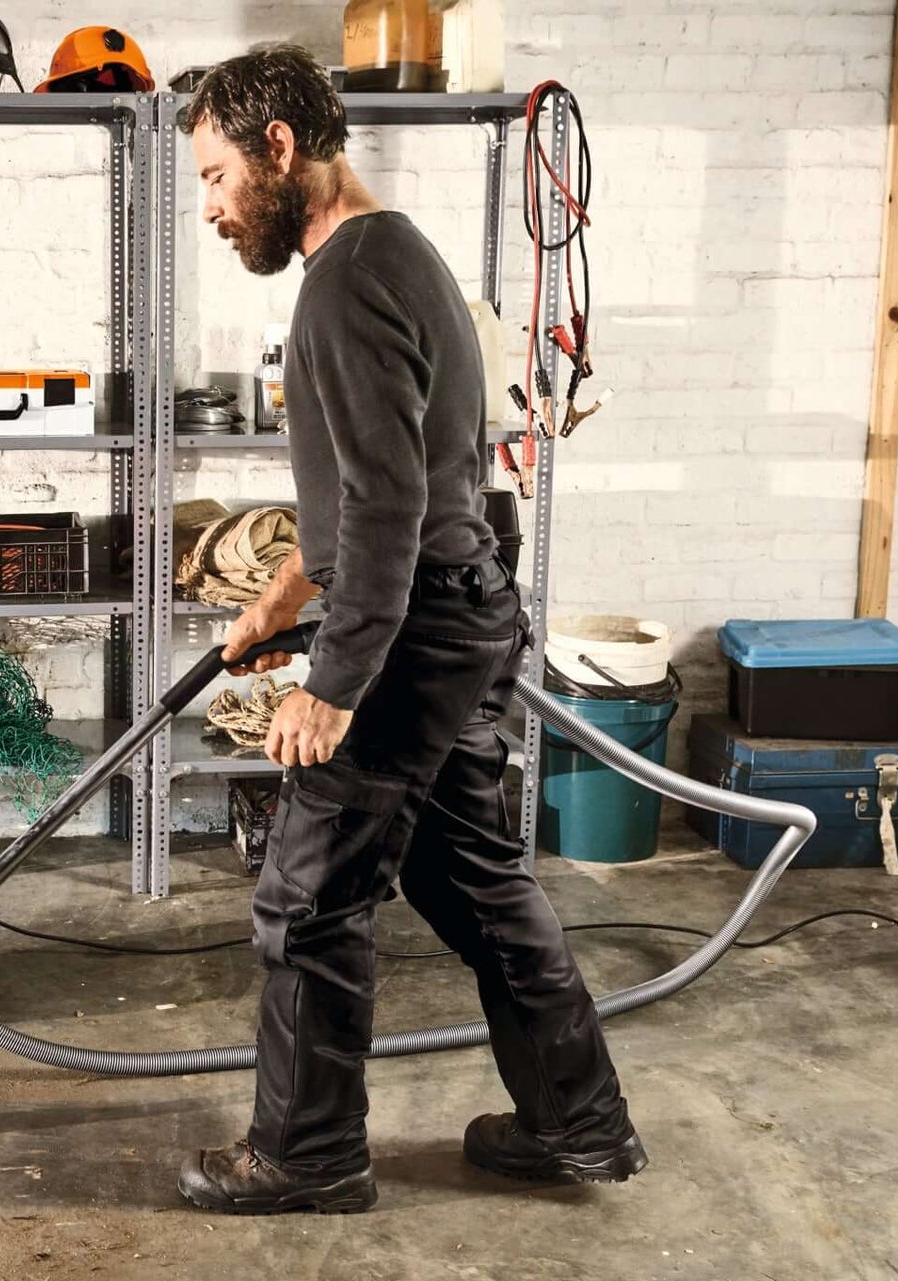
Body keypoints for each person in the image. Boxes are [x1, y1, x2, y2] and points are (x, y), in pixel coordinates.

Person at [174, 45, 646, 1216]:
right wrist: (284, 596)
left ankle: (308, 1155)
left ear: (281, 150)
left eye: (220, 174)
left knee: (310, 891)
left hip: (412, 629)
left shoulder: (343, 283)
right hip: (454, 608)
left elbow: (387, 507)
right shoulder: (401, 257)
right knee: (471, 875)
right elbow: (396, 487)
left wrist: (328, 684)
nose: (213, 206)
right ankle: (579, 1126)